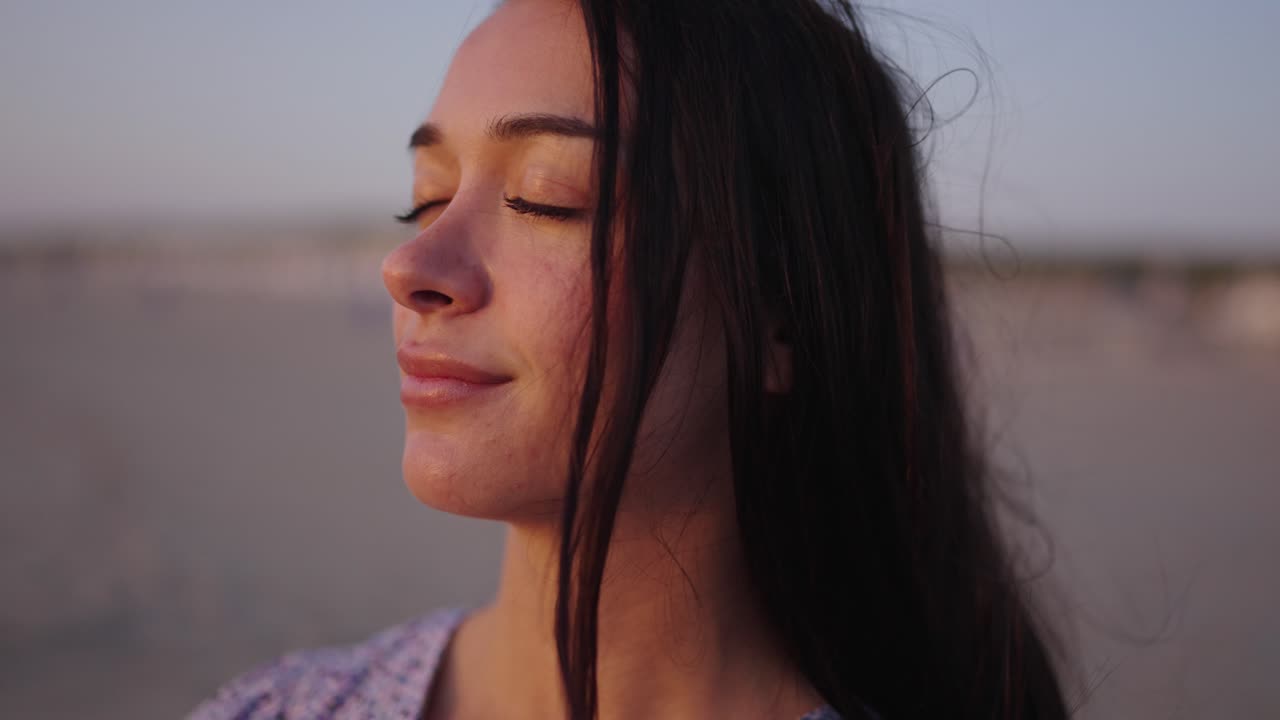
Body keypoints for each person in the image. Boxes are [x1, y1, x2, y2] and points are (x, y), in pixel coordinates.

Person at [191, 0, 1069, 718]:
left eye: (545, 197)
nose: (410, 266)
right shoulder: (282, 708)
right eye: (427, 198)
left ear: (783, 320)